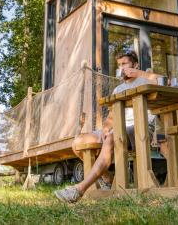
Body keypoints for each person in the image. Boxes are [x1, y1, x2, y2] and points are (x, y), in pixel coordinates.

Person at [54, 50, 166, 203]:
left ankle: (79, 190)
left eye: (125, 63)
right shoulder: (118, 89)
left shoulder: (144, 80)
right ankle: (107, 178)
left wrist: (139, 73)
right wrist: (106, 128)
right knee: (78, 142)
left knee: (113, 137)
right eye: (119, 65)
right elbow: (111, 117)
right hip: (118, 127)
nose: (121, 67)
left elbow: (165, 81)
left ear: (135, 64)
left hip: (140, 128)